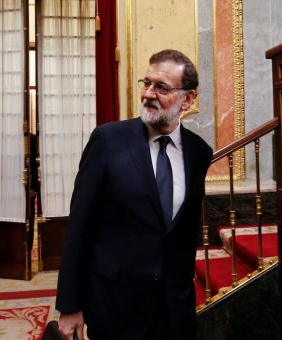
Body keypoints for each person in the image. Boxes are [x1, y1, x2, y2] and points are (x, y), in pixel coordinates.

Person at [55, 49, 213, 340]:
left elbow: (183, 232)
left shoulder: (199, 153)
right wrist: (70, 305)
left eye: (162, 87)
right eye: (147, 83)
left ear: (187, 99)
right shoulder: (107, 141)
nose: (148, 94)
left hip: (174, 309)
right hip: (116, 305)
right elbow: (79, 226)